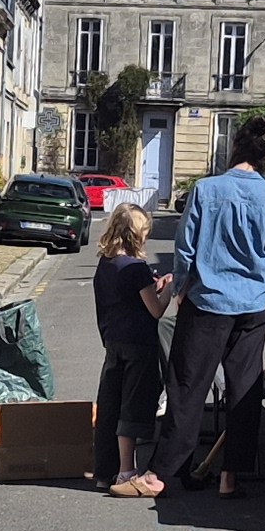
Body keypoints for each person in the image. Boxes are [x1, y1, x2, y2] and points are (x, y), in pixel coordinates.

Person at [154, 115, 265, 499]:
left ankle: (166, 471)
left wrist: (181, 287)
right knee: (244, 389)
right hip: (251, 304)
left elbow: (185, 247)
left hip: (209, 300)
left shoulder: (206, 190)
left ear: (235, 146)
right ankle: (229, 476)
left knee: (188, 385)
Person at [93, 201, 170, 498]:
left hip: (113, 340)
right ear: (137, 235)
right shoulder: (137, 268)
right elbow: (155, 311)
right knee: (133, 406)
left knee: (110, 403)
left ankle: (104, 471)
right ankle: (127, 470)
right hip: (139, 343)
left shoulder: (107, 262)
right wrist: (169, 289)